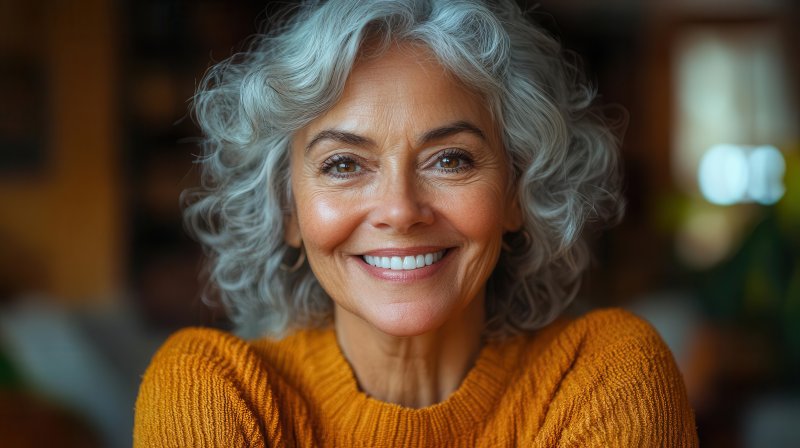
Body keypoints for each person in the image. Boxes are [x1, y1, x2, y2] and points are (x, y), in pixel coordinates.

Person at [134, 0, 698, 446]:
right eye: (344, 165)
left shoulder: (607, 376)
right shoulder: (214, 393)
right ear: (287, 209)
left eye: (450, 159)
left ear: (516, 192)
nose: (401, 210)